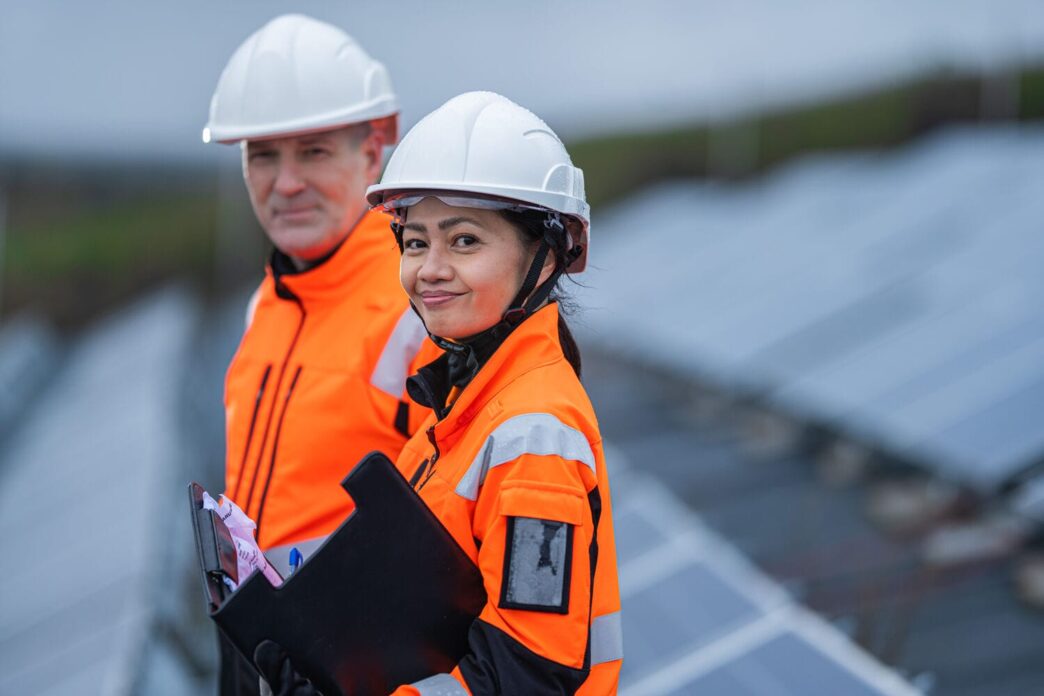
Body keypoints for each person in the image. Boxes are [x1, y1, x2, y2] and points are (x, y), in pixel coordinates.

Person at [258, 91, 624, 695]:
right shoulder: (465, 407)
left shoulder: (533, 434)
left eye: (464, 241)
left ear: (548, 253)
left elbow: (523, 676)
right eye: (415, 241)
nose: (429, 267)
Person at [203, 14, 435, 695]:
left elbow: (454, 552)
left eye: (313, 152)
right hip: (259, 659)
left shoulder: (419, 308)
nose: (285, 183)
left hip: (359, 673)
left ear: (373, 151)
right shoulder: (264, 306)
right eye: (262, 156)